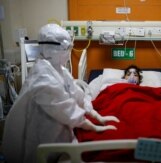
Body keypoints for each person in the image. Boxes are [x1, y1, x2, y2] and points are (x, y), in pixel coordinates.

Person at [2, 23, 119, 163]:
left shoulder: (59, 70)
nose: (68, 52)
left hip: (57, 134)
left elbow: (77, 94)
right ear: (52, 50)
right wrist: (94, 127)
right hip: (35, 140)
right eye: (66, 49)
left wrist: (96, 115)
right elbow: (67, 109)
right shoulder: (42, 78)